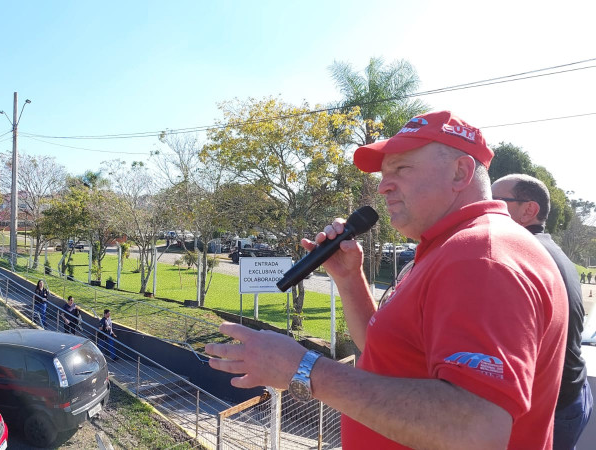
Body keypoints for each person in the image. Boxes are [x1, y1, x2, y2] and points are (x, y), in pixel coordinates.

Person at [205, 111, 568, 449]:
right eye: (384, 175)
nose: (383, 187)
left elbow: (474, 429)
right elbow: (386, 353)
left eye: (401, 169)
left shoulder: (481, 255)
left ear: (460, 173)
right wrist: (349, 279)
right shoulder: (447, 249)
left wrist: (302, 369)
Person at [492, 174, 592, 449]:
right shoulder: (551, 249)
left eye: (497, 201)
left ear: (529, 210)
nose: (487, 207)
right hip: (572, 394)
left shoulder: (522, 253)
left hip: (554, 406)